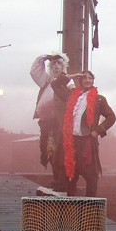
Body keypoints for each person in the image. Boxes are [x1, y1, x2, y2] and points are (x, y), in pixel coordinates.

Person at [50, 70, 115, 197]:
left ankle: (90, 206)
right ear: (80, 80)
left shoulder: (99, 99)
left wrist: (98, 131)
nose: (88, 80)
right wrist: (71, 76)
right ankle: (70, 205)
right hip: (71, 142)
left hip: (87, 142)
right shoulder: (71, 95)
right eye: (85, 78)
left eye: (90, 78)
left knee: (92, 177)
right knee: (70, 176)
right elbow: (55, 84)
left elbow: (111, 117)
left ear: (93, 81)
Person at [30, 53, 68, 191]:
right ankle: (57, 179)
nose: (56, 66)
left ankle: (62, 181)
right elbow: (34, 72)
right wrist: (44, 57)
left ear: (63, 66)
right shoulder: (46, 80)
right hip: (47, 122)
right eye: (54, 63)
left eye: (59, 63)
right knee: (49, 151)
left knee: (61, 152)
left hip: (61, 123)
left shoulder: (67, 82)